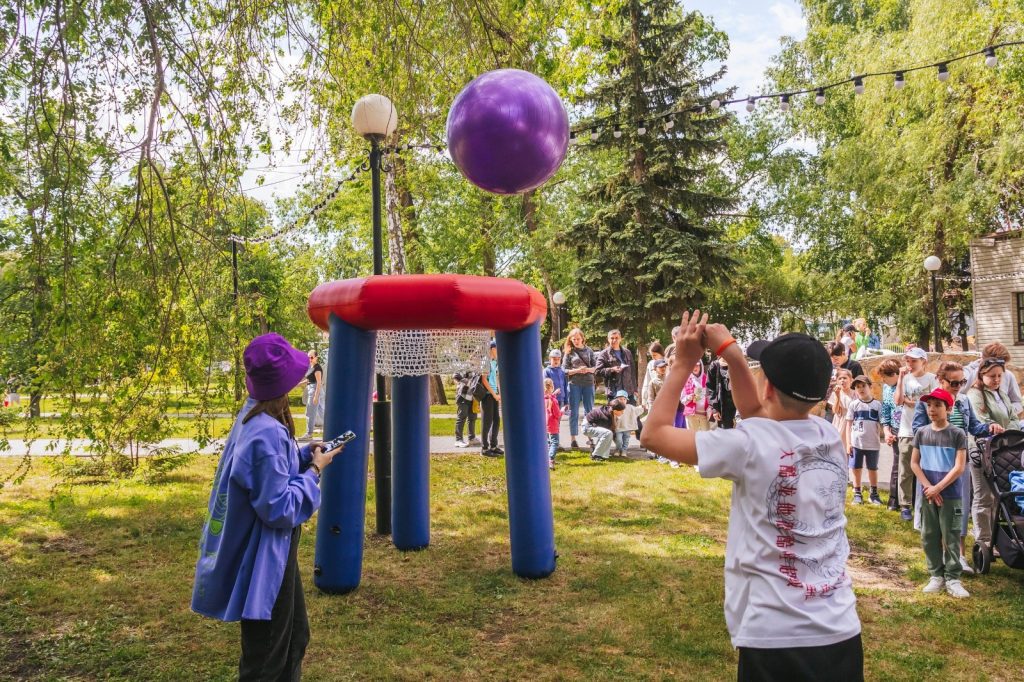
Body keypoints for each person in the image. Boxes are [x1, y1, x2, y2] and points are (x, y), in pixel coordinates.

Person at [642, 313, 862, 681]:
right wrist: (731, 354)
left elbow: (654, 434)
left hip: (776, 636)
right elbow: (758, 413)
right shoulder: (826, 436)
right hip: (840, 628)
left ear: (769, 387)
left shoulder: (748, 445)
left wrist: (683, 363)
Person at [191, 333, 347, 680]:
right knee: (267, 656)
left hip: (274, 555)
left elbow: (269, 473)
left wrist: (305, 455)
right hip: (265, 559)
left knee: (294, 637)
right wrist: (315, 471)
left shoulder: (253, 417)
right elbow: (279, 507)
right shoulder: (266, 433)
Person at [912, 361, 996, 574]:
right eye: (954, 382)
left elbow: (974, 427)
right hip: (934, 463)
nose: (959, 386)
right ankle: (939, 559)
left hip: (958, 463)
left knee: (959, 509)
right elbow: (917, 429)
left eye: (962, 381)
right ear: (940, 381)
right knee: (933, 513)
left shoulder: (964, 401)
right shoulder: (929, 403)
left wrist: (989, 427)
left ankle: (958, 556)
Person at [910, 388, 969, 598]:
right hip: (928, 494)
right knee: (929, 535)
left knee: (951, 535)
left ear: (948, 408)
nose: (932, 410)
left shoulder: (957, 434)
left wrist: (939, 488)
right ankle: (936, 575)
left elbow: (959, 467)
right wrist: (929, 488)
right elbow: (914, 463)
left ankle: (953, 577)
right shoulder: (922, 433)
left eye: (937, 405)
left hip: (950, 494)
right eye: (929, 405)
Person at [967, 357, 1020, 557]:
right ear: (982, 374)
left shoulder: (1002, 394)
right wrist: (999, 430)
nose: (997, 379)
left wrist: (1009, 433)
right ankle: (983, 540)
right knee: (983, 497)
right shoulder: (976, 394)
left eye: (999, 376)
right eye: (992, 376)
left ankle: (998, 539)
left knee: (999, 497)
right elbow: (982, 421)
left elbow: (1014, 417)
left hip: (1004, 451)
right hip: (982, 450)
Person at [894, 347, 937, 522]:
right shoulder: (905, 378)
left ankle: (927, 501)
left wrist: (913, 402)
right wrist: (900, 379)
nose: (910, 364)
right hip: (907, 430)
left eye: (914, 361)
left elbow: (933, 403)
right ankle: (905, 505)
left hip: (928, 430)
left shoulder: (931, 379)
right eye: (908, 361)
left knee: (927, 468)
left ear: (923, 362)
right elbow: (898, 401)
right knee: (905, 469)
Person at [846, 376, 883, 505]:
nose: (861, 389)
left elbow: (882, 423)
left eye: (863, 386)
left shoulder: (877, 405)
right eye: (857, 387)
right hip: (856, 443)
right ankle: (857, 493)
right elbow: (849, 425)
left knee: (872, 468)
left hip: (873, 444)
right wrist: (849, 443)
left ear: (870, 387)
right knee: (856, 467)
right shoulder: (854, 405)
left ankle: (874, 493)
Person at [961, 342, 1023, 417]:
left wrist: (1006, 411)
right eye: (992, 375)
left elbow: (1017, 402)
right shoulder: (967, 373)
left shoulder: (1008, 375)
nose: (997, 379)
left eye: (1002, 365)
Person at [563, 328, 597, 450]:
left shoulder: (589, 351)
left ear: (582, 338)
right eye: (574, 339)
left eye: (578, 339)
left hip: (588, 383)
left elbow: (595, 367)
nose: (576, 341)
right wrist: (577, 370)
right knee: (574, 412)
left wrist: (587, 369)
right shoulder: (569, 353)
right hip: (574, 384)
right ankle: (573, 439)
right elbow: (564, 370)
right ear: (571, 340)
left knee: (589, 411)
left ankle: (590, 437)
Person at [878, 358, 903, 511]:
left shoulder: (907, 385)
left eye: (885, 377)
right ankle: (894, 500)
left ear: (894, 374)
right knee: (897, 465)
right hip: (894, 430)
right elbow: (886, 410)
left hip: (910, 431)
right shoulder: (887, 388)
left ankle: (910, 499)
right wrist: (887, 431)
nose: (883, 380)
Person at [595, 329, 638, 405]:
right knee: (615, 416)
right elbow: (597, 371)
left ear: (620, 339)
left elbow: (632, 372)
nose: (614, 340)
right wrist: (611, 369)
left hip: (628, 391)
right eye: (612, 338)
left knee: (631, 415)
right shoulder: (603, 354)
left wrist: (635, 389)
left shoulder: (627, 352)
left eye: (616, 338)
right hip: (614, 391)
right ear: (608, 339)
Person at [480, 341, 502, 457]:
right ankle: (484, 448)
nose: (498, 351)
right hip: (487, 395)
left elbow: (495, 378)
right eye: (497, 348)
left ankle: (493, 445)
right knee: (487, 422)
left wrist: (499, 393)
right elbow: (484, 380)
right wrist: (493, 394)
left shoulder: (494, 362)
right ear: (492, 349)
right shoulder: (486, 361)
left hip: (494, 394)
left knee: (496, 420)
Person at [452, 370, 481, 448]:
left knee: (472, 418)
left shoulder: (478, 370)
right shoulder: (467, 368)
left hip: (473, 398)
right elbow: (456, 374)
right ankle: (458, 440)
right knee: (461, 418)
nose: (478, 359)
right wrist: (468, 382)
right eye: (476, 357)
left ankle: (472, 438)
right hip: (463, 397)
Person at [298, 350, 323, 440]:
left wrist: (316, 396)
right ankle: (335, 429)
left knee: (310, 412)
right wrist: (299, 384)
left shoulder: (317, 368)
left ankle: (309, 434)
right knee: (322, 412)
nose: (310, 359)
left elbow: (319, 382)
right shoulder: (311, 367)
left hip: (315, 390)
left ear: (316, 357)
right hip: (311, 388)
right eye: (308, 357)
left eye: (311, 357)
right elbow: (309, 380)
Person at [612, 390, 644, 456]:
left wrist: (642, 407)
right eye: (620, 399)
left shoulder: (630, 407)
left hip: (627, 428)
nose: (622, 400)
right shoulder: (615, 407)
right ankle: (618, 449)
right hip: (618, 428)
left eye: (624, 399)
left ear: (627, 400)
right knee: (619, 440)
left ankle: (624, 450)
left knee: (626, 440)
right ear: (617, 400)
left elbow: (636, 410)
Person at [707, 354, 736, 429]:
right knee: (726, 433)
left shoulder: (736, 363)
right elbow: (710, 388)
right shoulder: (715, 366)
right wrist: (714, 409)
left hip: (738, 405)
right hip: (723, 408)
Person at [681, 359, 711, 431]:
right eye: (692, 366)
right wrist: (689, 397)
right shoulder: (686, 380)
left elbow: (710, 396)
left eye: (697, 365)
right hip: (692, 415)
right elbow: (682, 400)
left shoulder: (706, 378)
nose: (695, 368)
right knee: (692, 437)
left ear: (700, 366)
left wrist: (710, 408)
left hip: (705, 415)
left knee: (706, 437)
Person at [830, 368, 853, 456]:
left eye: (845, 378)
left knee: (850, 451)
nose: (842, 380)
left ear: (851, 380)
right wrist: (838, 396)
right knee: (838, 452)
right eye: (840, 378)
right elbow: (835, 411)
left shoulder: (855, 394)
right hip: (840, 423)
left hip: (851, 423)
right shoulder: (835, 393)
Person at [640, 342, 665, 410]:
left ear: (661, 353)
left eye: (655, 355)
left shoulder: (668, 362)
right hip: (654, 398)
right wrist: (644, 400)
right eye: (651, 355)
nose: (653, 357)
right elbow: (646, 382)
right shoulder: (651, 364)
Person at [544, 378, 561, 470]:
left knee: (548, 442)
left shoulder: (542, 399)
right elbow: (557, 414)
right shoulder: (553, 401)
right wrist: (562, 411)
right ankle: (551, 459)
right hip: (553, 425)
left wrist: (554, 393)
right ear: (551, 386)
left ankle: (547, 459)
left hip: (545, 425)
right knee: (555, 442)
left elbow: (549, 397)